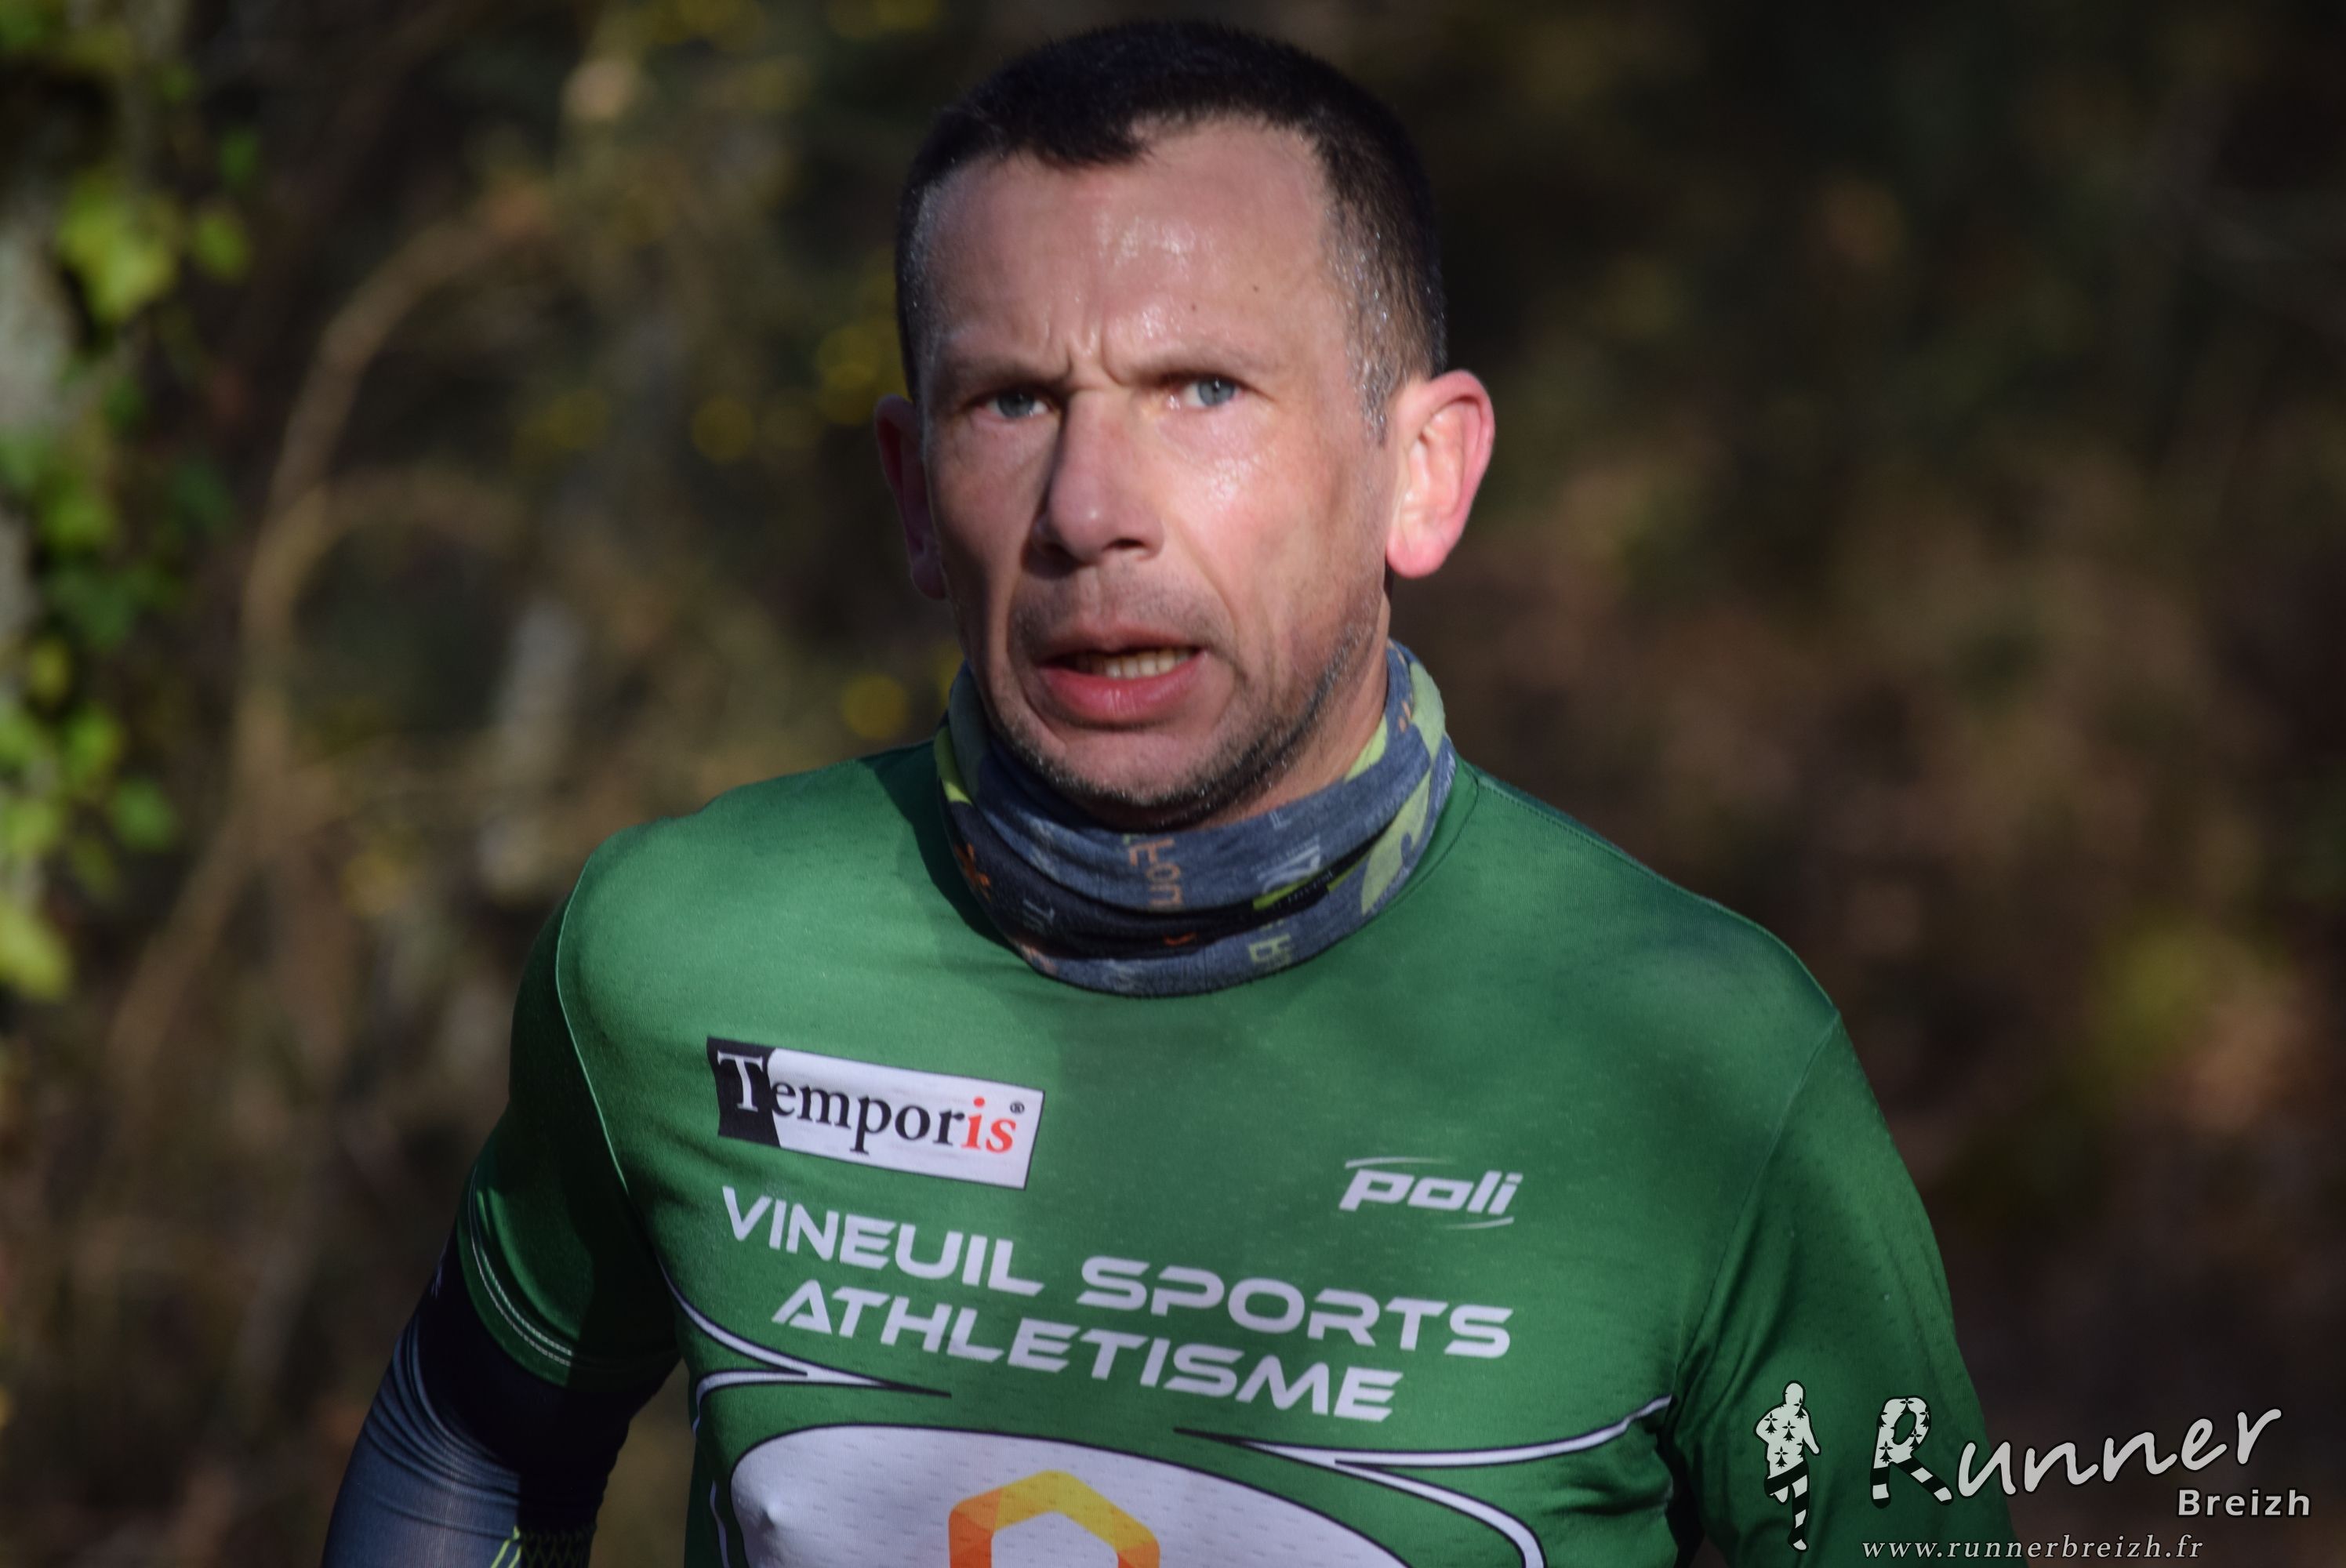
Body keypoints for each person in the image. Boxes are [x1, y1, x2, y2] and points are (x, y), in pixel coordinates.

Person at [321, 20, 2018, 1566]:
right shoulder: (682, 952)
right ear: (914, 494)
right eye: (1010, 401)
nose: (1088, 510)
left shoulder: (1702, 1068)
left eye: (1202, 389)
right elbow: (472, 1433)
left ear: (1420, 473)